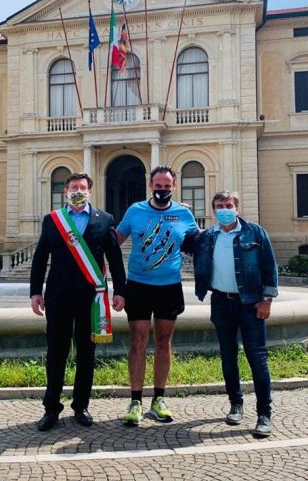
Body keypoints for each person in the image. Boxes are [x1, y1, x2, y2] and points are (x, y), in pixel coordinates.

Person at [30, 172, 126, 431]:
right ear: (65, 192)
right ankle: (51, 408)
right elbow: (40, 258)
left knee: (86, 353)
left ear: (90, 191)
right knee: (56, 353)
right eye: (73, 187)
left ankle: (81, 405)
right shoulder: (53, 220)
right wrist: (35, 292)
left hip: (91, 298)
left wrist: (120, 291)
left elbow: (115, 258)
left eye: (82, 187)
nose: (78, 191)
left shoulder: (104, 220)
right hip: (58, 296)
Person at [183, 190, 278, 438]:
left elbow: (269, 267)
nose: (224, 209)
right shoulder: (207, 237)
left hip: (250, 303)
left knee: (257, 359)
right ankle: (236, 405)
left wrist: (266, 300)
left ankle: (264, 414)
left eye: (228, 205)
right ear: (213, 210)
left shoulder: (254, 232)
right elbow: (185, 244)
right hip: (221, 302)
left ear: (236, 207)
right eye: (219, 206)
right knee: (228, 357)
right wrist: (186, 214)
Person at [116, 166, 198, 426]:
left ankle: (159, 399)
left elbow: (198, 244)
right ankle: (136, 400)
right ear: (150, 185)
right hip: (138, 286)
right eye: (158, 185)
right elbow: (112, 242)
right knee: (138, 341)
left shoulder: (184, 214)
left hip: (169, 287)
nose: (162, 190)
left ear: (174, 186)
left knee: (164, 341)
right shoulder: (135, 211)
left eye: (167, 186)